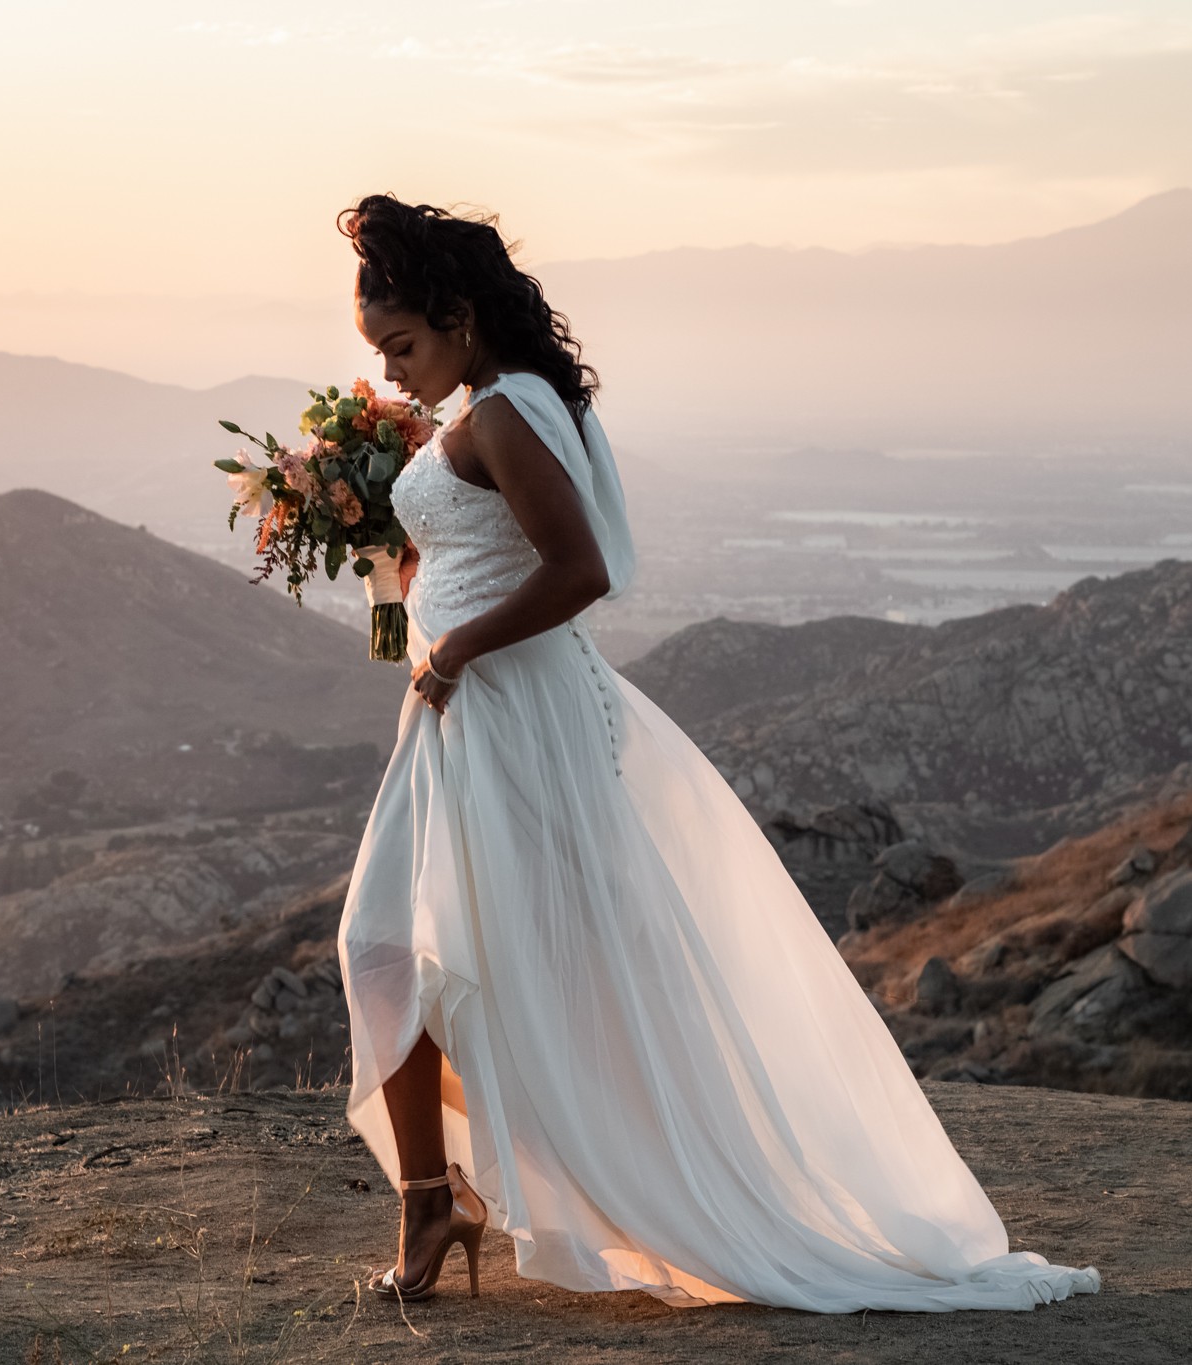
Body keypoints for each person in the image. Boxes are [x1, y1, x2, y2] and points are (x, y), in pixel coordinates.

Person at [334, 192, 1100, 1311]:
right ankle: (436, 1197)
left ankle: (463, 1198)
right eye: (380, 353)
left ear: (458, 315)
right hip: (465, 713)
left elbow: (581, 571)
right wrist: (402, 578)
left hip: (505, 715)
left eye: (401, 345)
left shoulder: (502, 415)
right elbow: (478, 548)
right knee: (411, 948)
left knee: (442, 952)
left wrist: (454, 649)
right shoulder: (490, 406)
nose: (393, 371)